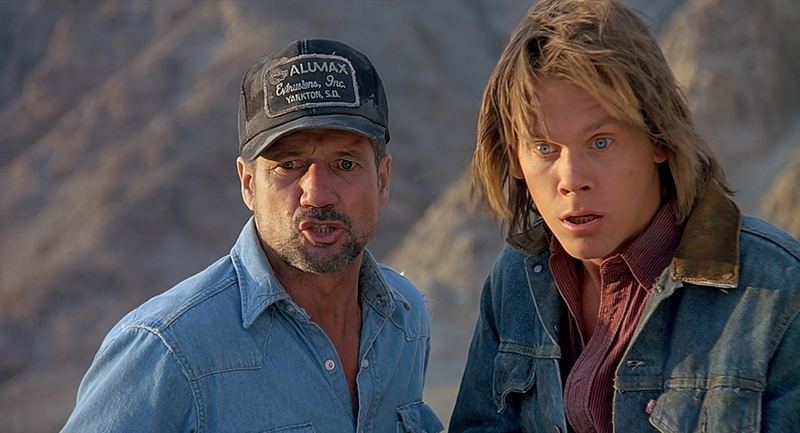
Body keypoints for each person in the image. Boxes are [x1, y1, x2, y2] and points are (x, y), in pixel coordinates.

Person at [450, 1, 800, 432]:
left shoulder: (777, 290)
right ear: (515, 160)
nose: (572, 180)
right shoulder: (517, 280)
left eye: (601, 142)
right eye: (545, 148)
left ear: (658, 139)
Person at [61, 38, 443, 433]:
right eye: (289, 165)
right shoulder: (169, 348)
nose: (317, 194)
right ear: (248, 184)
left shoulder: (404, 320)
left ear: (382, 181)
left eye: (345, 164)